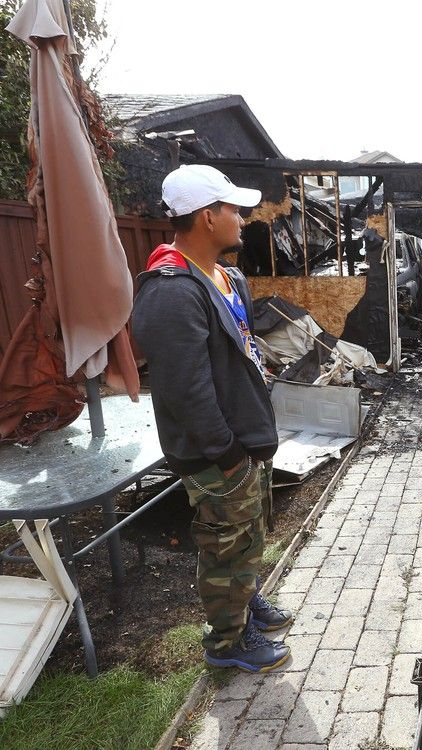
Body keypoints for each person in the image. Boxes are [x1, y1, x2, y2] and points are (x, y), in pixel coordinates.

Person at [132, 165, 293, 672]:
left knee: (248, 534)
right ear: (207, 217)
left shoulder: (226, 277)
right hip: (216, 451)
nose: (243, 219)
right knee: (225, 544)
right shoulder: (171, 291)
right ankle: (227, 643)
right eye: (233, 210)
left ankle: (244, 603)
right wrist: (225, 454)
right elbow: (185, 389)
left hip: (243, 440)